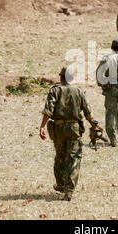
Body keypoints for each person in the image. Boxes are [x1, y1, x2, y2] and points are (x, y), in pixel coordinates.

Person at [39, 67, 98, 201]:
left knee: (60, 156)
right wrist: (94, 125)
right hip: (74, 128)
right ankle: (69, 190)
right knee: (73, 158)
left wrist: (42, 127)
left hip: (59, 128)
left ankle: (61, 184)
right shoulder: (79, 91)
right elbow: (88, 112)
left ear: (61, 78)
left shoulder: (55, 90)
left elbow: (48, 110)